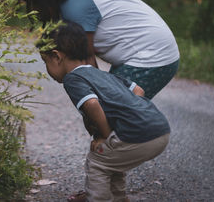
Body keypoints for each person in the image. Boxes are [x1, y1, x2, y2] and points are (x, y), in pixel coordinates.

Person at [36, 21, 171, 202]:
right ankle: (119, 198)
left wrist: (105, 136)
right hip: (160, 128)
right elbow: (138, 90)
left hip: (140, 133)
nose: (47, 69)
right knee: (111, 160)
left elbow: (92, 104)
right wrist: (134, 112)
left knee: (98, 163)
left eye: (46, 62)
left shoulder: (73, 78)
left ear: (57, 56)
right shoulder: (103, 75)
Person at [19, 0, 180, 99]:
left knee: (115, 110)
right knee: (115, 112)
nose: (33, 9)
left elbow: (87, 64)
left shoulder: (75, 7)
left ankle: (153, 131)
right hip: (151, 52)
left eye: (34, 1)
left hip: (152, 56)